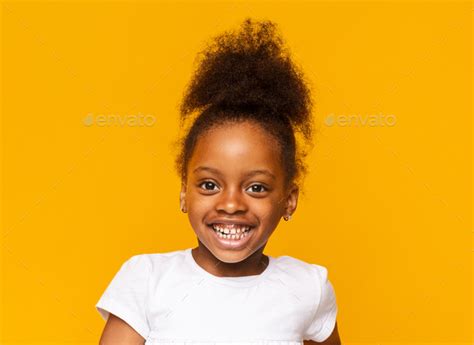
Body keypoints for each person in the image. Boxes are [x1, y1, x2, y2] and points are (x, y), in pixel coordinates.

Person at [96, 18, 341, 345]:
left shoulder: (308, 287)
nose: (231, 204)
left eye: (256, 187)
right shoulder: (147, 280)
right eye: (210, 185)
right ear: (184, 192)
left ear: (289, 199)